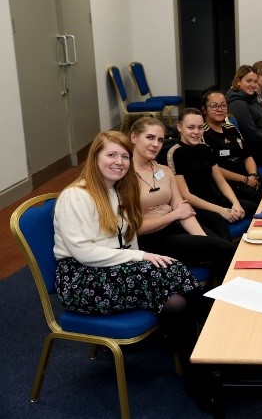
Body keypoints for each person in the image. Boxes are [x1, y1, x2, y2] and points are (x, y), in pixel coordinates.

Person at [53, 131, 202, 391]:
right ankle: (203, 364)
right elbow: (84, 253)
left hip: (114, 268)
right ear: (95, 157)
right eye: (111, 155)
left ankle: (200, 362)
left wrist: (138, 257)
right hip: (80, 279)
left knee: (173, 288)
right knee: (165, 273)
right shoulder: (76, 196)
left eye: (124, 156)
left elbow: (128, 237)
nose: (119, 161)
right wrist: (140, 256)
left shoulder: (118, 190)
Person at [129, 117, 235, 282]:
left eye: (160, 139)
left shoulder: (164, 170)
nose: (156, 144)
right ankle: (216, 300)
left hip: (174, 227)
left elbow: (183, 209)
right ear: (134, 137)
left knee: (221, 246)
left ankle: (213, 297)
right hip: (151, 239)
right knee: (225, 250)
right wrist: (174, 215)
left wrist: (202, 239)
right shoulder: (125, 176)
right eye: (149, 137)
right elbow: (136, 228)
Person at [169, 108, 256, 242]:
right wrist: (221, 210)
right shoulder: (175, 153)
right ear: (180, 127)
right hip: (201, 208)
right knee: (224, 237)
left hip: (218, 200)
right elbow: (186, 195)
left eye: (199, 127)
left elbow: (221, 182)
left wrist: (235, 203)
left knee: (257, 210)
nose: (196, 132)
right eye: (191, 128)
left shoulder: (205, 148)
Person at [201, 89, 262, 204]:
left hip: (247, 176)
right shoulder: (203, 134)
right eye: (214, 106)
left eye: (223, 105)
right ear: (204, 110)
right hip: (228, 182)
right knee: (260, 201)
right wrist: (245, 180)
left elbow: (247, 156)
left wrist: (252, 175)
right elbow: (214, 169)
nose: (219, 109)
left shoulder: (231, 128)